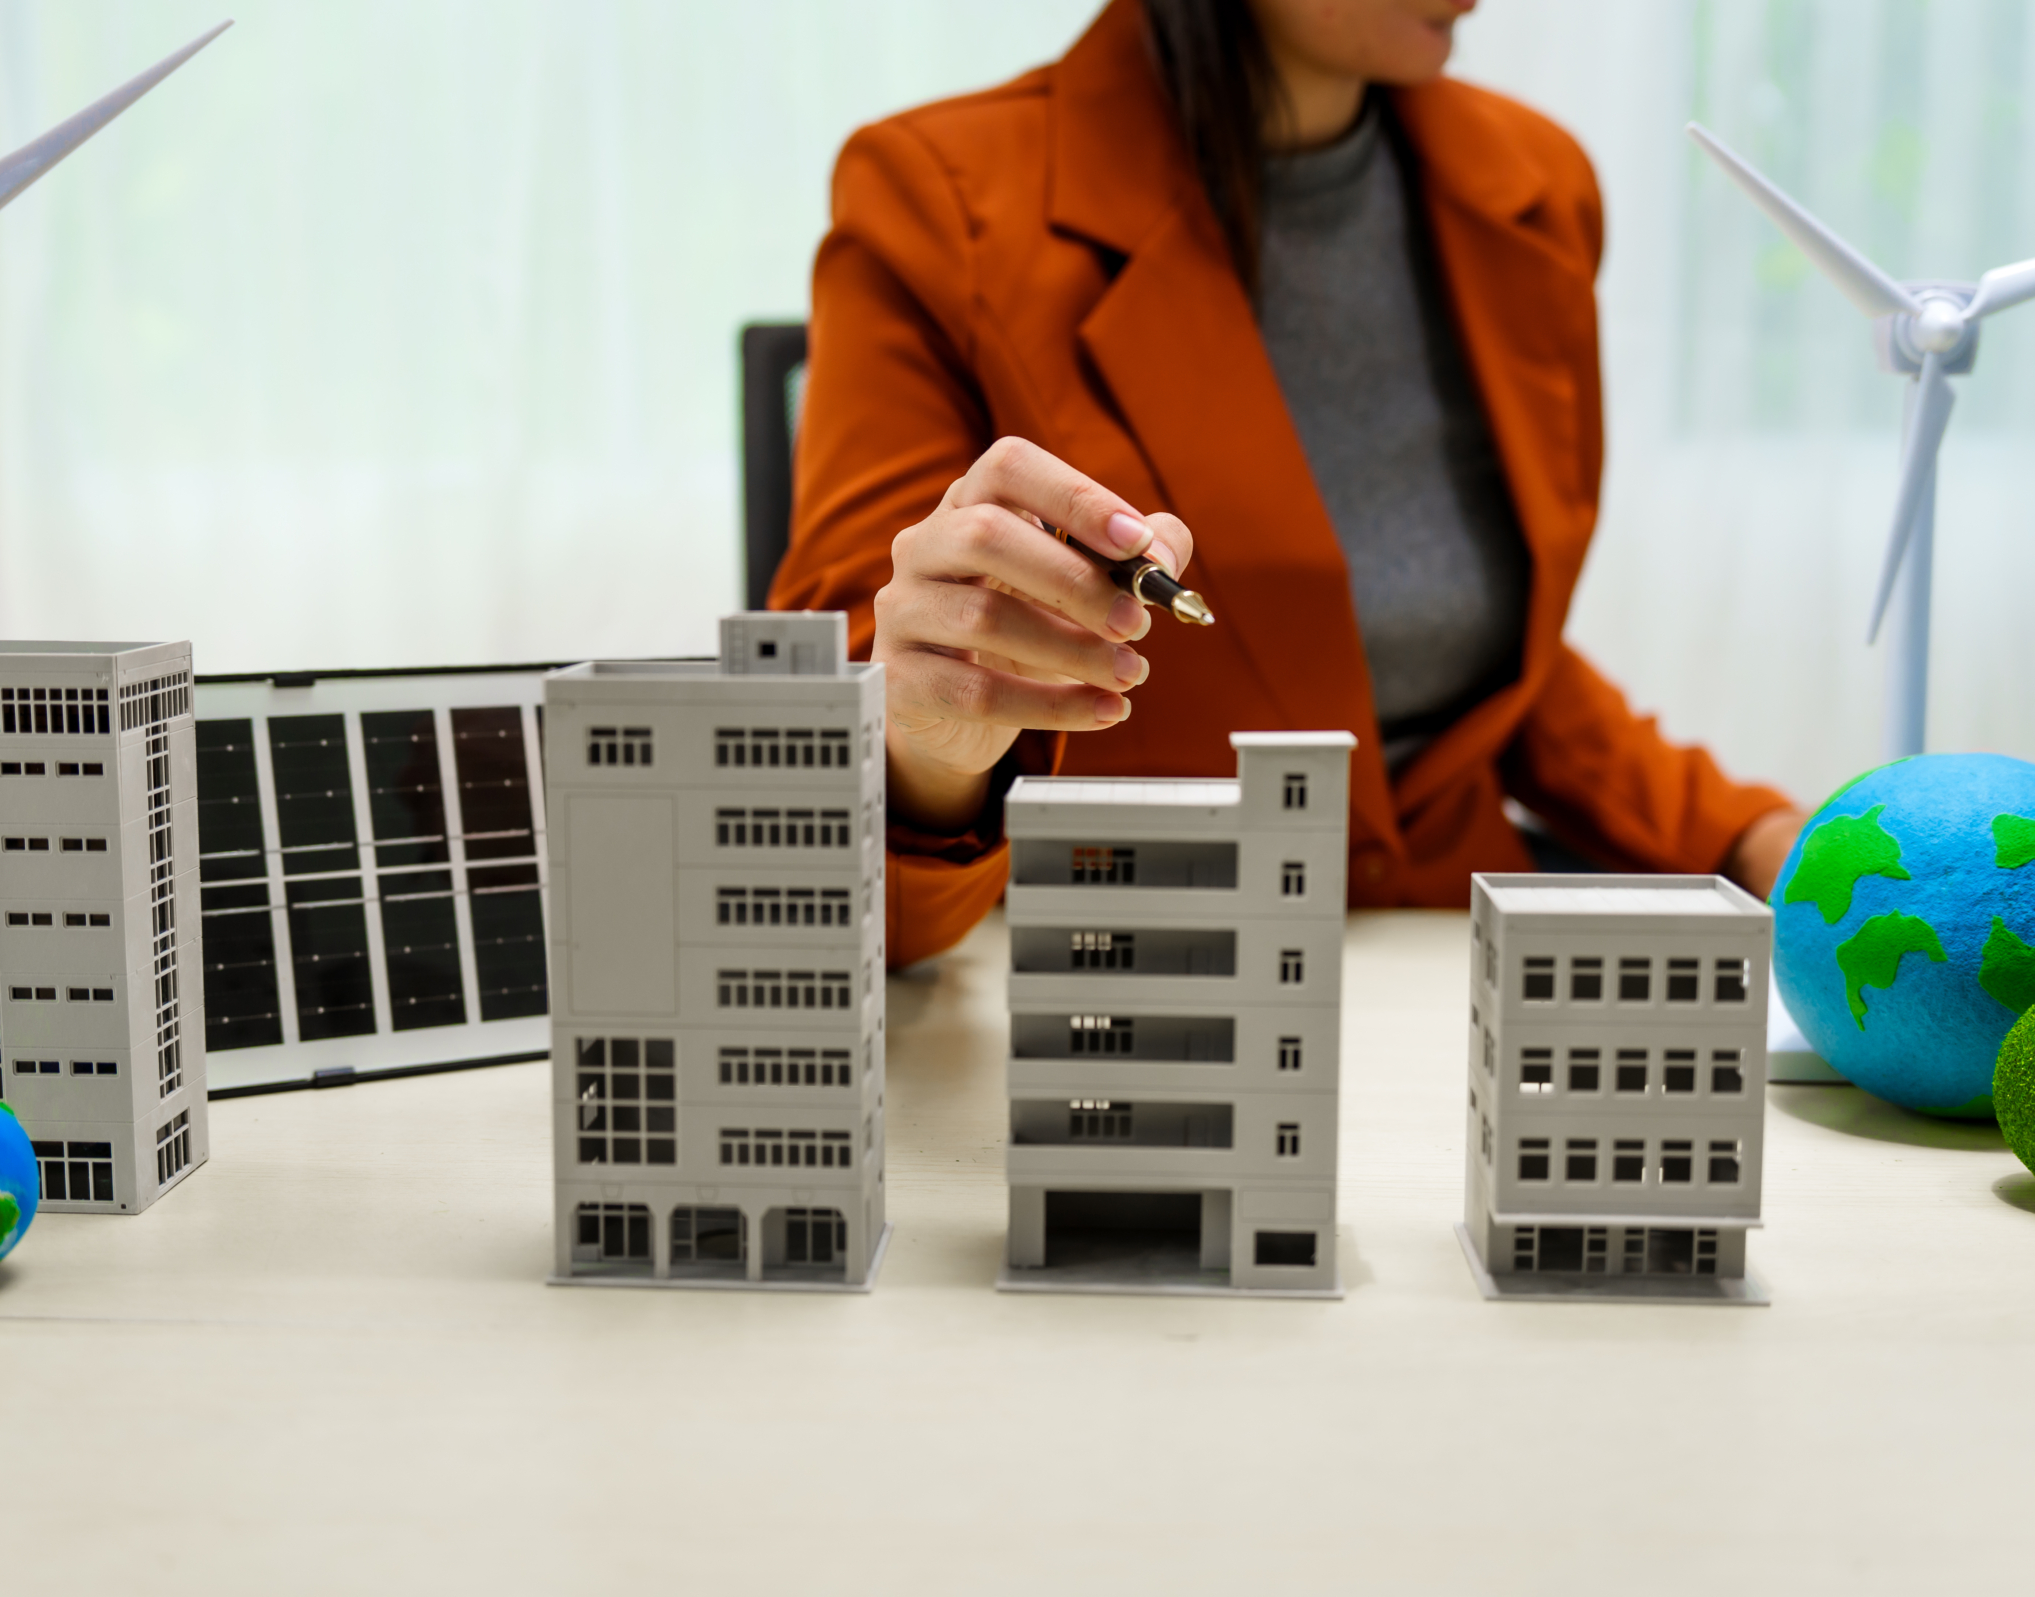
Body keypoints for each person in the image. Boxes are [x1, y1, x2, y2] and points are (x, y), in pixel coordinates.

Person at [770, 0, 1804, 968]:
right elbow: (845, 776)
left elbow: (1476, 664)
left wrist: (1747, 835)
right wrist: (934, 749)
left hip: (1445, 966)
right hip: (1125, 983)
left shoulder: (1533, 185)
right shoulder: (933, 199)